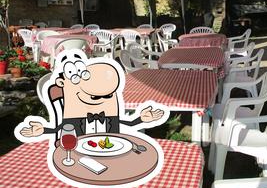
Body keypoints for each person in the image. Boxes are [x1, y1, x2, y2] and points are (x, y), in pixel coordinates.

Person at [18, 51, 165, 139]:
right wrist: (43, 130)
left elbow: (124, 123)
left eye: (108, 96)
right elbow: (60, 128)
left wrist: (139, 119)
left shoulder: (109, 112)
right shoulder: (74, 116)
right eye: (95, 97)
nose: (103, 99)